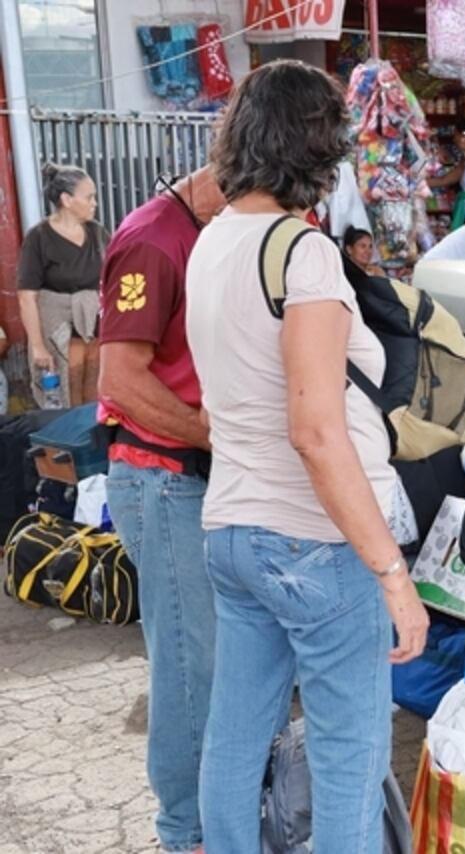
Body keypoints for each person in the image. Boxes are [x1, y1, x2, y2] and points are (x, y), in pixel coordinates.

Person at [185, 60, 428, 853]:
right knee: (348, 748)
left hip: (232, 528)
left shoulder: (213, 242)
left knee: (236, 733)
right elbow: (317, 431)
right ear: (317, 146)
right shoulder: (303, 252)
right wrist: (393, 573)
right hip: (312, 543)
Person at [97, 165, 226, 854]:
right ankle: (188, 834)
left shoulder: (213, 231)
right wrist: (216, 433)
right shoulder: (153, 239)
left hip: (200, 476)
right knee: (187, 668)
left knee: (221, 662)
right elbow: (119, 379)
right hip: (162, 478)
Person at [17, 163, 109, 407]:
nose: (94, 203)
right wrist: (38, 346)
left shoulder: (97, 232)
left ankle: (93, 443)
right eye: (89, 197)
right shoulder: (39, 237)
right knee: (65, 399)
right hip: (57, 330)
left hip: (93, 329)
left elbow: (112, 278)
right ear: (67, 199)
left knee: (94, 397)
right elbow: (27, 297)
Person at [427, 132, 465, 231]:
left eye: (456, 138)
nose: (454, 141)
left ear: (463, 138)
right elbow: (443, 180)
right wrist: (416, 182)